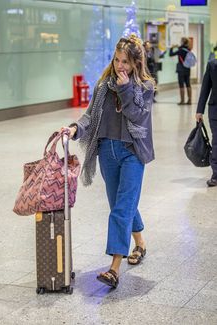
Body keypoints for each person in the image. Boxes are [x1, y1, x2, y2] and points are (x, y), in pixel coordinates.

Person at [61, 33, 155, 288]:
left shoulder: (145, 88)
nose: (120, 66)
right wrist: (74, 129)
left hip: (132, 152)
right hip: (108, 154)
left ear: (136, 63)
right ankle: (141, 243)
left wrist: (125, 89)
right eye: (117, 60)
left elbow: (137, 117)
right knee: (121, 204)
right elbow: (90, 117)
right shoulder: (103, 87)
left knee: (122, 209)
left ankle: (114, 267)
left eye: (125, 61)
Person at [196, 57, 217, 187]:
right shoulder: (212, 65)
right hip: (215, 110)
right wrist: (199, 110)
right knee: (216, 142)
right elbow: (205, 88)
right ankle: (216, 175)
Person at [169, 37, 192, 105]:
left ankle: (182, 101)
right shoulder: (188, 49)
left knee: (181, 85)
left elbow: (171, 54)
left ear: (182, 42)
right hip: (187, 69)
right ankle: (189, 100)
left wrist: (172, 47)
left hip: (181, 69)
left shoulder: (180, 50)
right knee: (188, 84)